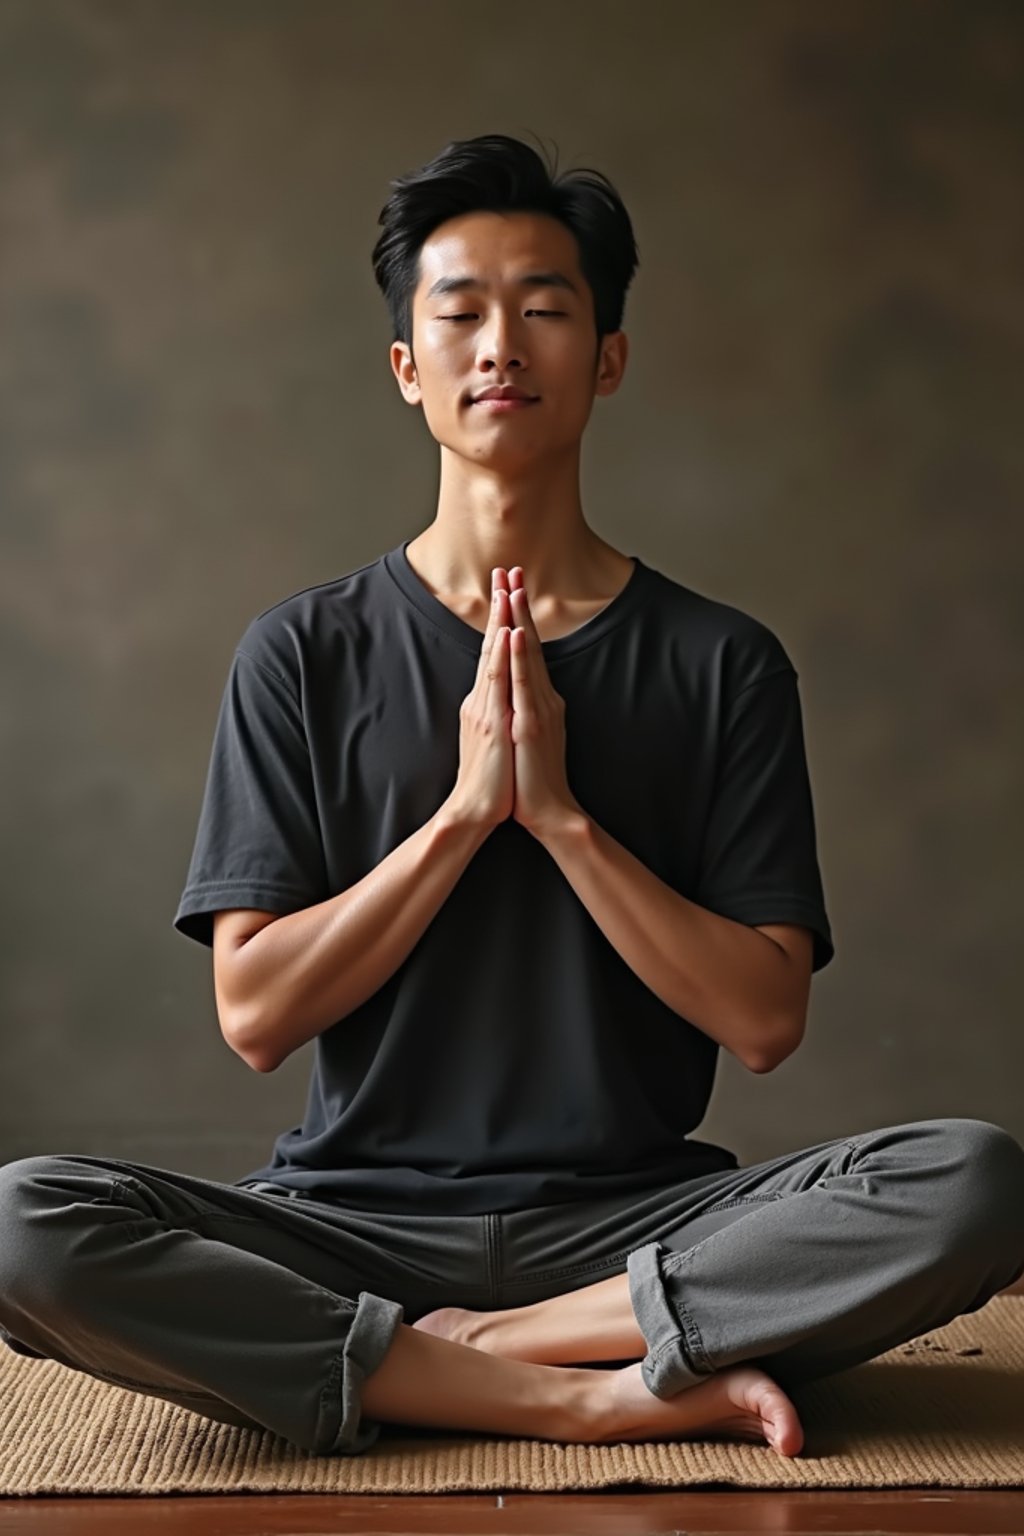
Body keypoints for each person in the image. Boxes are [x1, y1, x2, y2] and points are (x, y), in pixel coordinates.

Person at [1, 134, 1021, 1463]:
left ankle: (459, 1357)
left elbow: (765, 1019)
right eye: (460, 311)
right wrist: (466, 813)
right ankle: (581, 1388)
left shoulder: (722, 663)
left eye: (545, 308)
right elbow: (255, 1017)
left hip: (639, 1225)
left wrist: (561, 818)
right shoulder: (301, 655)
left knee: (975, 1183)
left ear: (607, 359)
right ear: (406, 368)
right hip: (351, 1224)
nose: (502, 344)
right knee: (25, 1223)